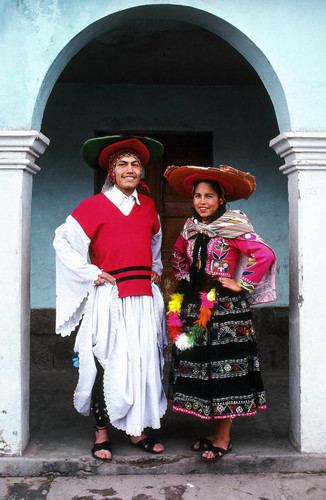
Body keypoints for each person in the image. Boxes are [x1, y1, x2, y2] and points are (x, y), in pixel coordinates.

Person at [53, 135, 167, 461]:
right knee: (104, 361)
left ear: (141, 172)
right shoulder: (93, 207)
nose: (129, 170)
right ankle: (101, 432)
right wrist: (90, 272)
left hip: (142, 298)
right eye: (123, 164)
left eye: (135, 164)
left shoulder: (148, 207)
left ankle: (137, 430)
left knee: (141, 363)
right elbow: (63, 242)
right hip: (111, 297)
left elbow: (155, 240)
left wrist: (155, 267)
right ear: (112, 172)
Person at [164, 164, 277, 461]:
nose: (202, 202)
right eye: (198, 196)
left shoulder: (234, 226)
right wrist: (185, 277)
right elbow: (177, 253)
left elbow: (264, 254)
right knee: (205, 369)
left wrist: (241, 283)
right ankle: (215, 433)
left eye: (209, 196)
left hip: (226, 310)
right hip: (195, 307)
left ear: (221, 199)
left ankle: (224, 438)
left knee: (224, 370)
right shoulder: (190, 228)